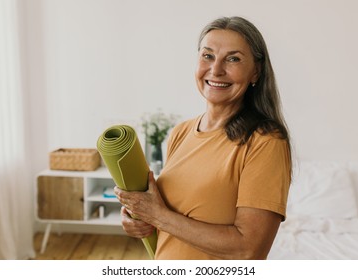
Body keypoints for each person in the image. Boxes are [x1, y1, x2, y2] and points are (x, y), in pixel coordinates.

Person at [114, 16, 292, 260]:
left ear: (256, 72)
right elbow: (176, 220)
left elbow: (248, 249)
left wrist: (157, 215)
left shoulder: (265, 141)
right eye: (207, 56)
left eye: (233, 59)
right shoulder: (181, 132)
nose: (216, 69)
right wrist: (140, 219)